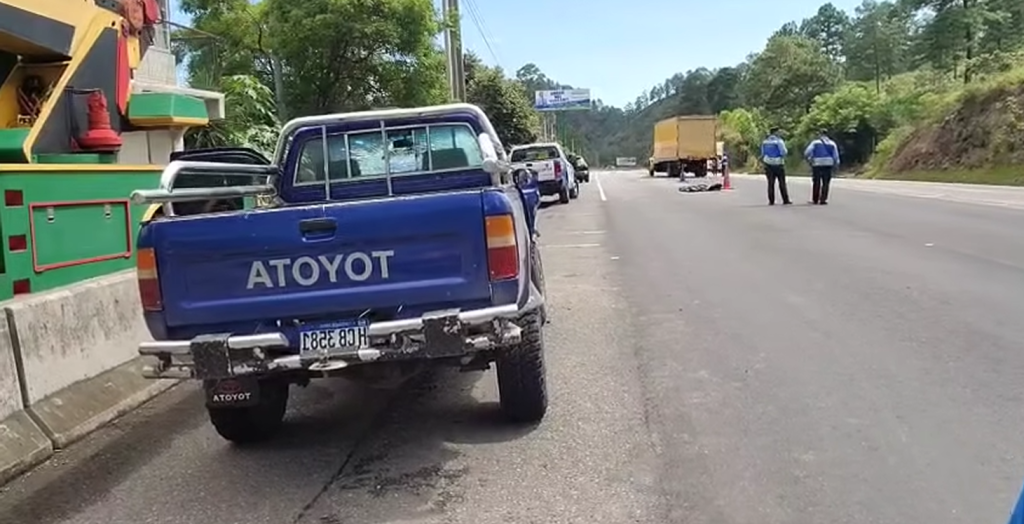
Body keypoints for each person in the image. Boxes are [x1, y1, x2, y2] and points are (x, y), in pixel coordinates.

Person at [804, 129, 841, 205]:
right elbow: (836, 156)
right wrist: (836, 164)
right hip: (828, 164)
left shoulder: (815, 142)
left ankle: (815, 199)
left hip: (817, 164)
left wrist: (809, 159)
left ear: (820, 134)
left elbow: (807, 152)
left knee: (816, 182)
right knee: (826, 183)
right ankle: (823, 199)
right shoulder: (832, 143)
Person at [760, 127, 791, 205]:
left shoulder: (765, 142)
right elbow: (784, 152)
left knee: (770, 183)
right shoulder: (779, 141)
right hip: (778, 163)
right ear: (775, 132)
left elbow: (763, 153)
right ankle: (785, 199)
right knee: (782, 182)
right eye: (779, 132)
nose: (780, 133)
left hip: (768, 164)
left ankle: (771, 201)